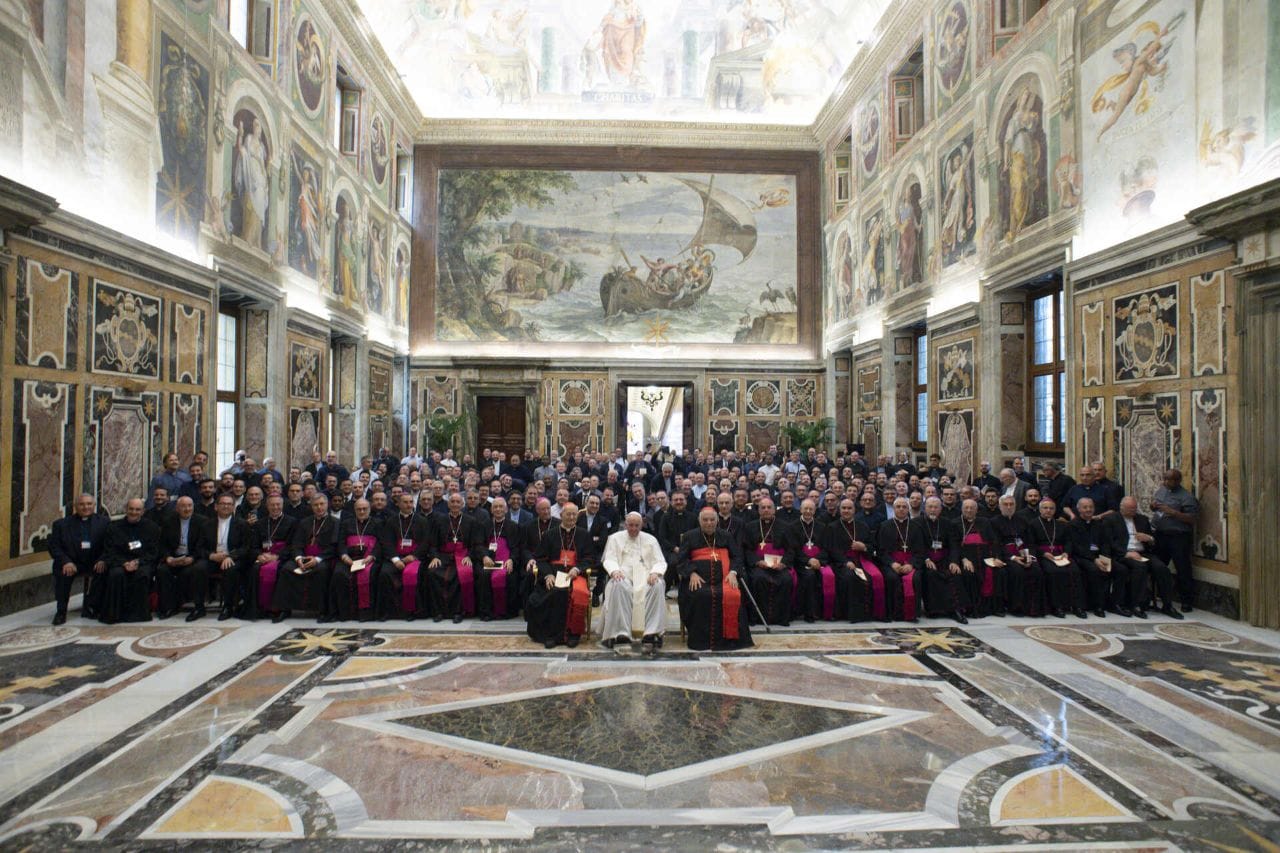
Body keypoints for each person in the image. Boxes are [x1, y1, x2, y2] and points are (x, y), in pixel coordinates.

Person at [675, 507, 753, 652]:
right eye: (705, 520)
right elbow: (681, 560)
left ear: (717, 521)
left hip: (724, 579)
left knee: (733, 594)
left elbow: (737, 556)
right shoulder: (689, 536)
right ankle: (701, 640)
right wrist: (691, 573)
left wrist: (733, 572)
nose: (709, 523)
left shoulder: (726, 536)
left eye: (712, 520)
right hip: (699, 580)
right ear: (699, 521)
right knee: (700, 595)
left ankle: (730, 640)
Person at [527, 503, 597, 648]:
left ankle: (573, 633)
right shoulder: (550, 534)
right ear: (561, 515)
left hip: (576, 576)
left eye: (574, 514)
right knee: (550, 594)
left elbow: (590, 558)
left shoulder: (584, 534)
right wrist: (547, 575)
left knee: (577, 594)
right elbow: (540, 559)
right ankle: (552, 635)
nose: (571, 517)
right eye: (568, 514)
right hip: (553, 575)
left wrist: (577, 569)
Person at [1104, 495, 1182, 619]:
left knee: (1161, 568)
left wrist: (1149, 538)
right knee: (1139, 568)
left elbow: (1152, 540)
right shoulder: (1110, 519)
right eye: (1129, 509)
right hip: (1123, 553)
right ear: (1121, 508)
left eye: (1134, 509)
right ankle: (1136, 604)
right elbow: (1108, 542)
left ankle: (1167, 605)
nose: (1132, 512)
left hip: (1143, 552)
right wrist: (1125, 553)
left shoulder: (1142, 519)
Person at [598, 512, 668, 650]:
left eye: (637, 525)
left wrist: (655, 572)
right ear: (625, 524)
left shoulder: (651, 539)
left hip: (646, 575)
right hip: (623, 574)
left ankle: (651, 632)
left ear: (642, 525)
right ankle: (620, 632)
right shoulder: (615, 538)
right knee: (618, 585)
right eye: (630, 525)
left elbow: (660, 561)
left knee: (658, 585)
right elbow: (609, 558)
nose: (634, 529)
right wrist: (614, 570)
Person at [272, 494, 338, 623]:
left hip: (323, 558)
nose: (319, 507)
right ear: (311, 506)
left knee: (321, 571)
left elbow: (334, 546)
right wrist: (298, 558)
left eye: (321, 504)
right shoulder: (304, 522)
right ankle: (284, 609)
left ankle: (322, 610)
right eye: (315, 505)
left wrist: (317, 559)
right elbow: (296, 543)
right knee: (286, 569)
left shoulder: (335, 522)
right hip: (303, 557)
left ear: (327, 505)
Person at [49, 494, 109, 624]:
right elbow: (54, 547)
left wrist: (103, 559)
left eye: (89, 504)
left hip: (95, 561)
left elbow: (109, 545)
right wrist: (66, 561)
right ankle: (61, 611)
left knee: (105, 571)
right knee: (63, 572)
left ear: (94, 505)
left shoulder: (104, 522)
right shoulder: (61, 525)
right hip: (72, 562)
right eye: (82, 504)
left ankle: (92, 606)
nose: (85, 507)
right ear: (75, 506)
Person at [911, 496, 971, 623]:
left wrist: (954, 561)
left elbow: (954, 545)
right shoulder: (916, 522)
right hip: (925, 559)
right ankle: (934, 610)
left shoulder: (947, 523)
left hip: (944, 558)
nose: (932, 510)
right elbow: (916, 545)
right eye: (930, 507)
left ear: (940, 509)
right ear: (925, 508)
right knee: (931, 574)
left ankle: (956, 610)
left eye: (935, 507)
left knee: (954, 574)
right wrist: (926, 558)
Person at [100, 498, 160, 624]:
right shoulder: (114, 528)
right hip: (120, 562)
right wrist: (124, 563)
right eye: (131, 509)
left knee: (142, 575)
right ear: (126, 510)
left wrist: (138, 562)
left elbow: (153, 551)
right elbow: (110, 551)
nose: (134, 512)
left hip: (143, 562)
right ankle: (115, 614)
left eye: (138, 509)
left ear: (143, 511)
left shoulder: (152, 527)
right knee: (116, 574)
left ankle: (139, 615)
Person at [824, 498, 883, 623]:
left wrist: (864, 547)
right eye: (844, 508)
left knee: (874, 577)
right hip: (841, 563)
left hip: (862, 560)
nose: (846, 511)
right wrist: (845, 562)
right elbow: (831, 549)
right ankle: (852, 614)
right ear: (839, 510)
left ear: (855, 510)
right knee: (850, 577)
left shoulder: (862, 526)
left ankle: (869, 613)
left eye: (849, 508)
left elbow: (872, 545)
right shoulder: (832, 527)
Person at [1025, 498, 1086, 619]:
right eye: (1045, 508)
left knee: (1075, 571)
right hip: (1044, 555)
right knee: (1054, 572)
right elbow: (1030, 544)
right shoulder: (1033, 524)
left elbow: (1068, 541)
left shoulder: (1061, 524)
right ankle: (1057, 606)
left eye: (1051, 508)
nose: (1048, 510)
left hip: (1060, 554)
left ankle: (1077, 606)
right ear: (1040, 509)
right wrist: (1043, 553)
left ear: (1055, 510)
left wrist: (1066, 553)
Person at [428, 493, 484, 623]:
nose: (455, 504)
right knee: (432, 573)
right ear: (448, 504)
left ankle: (458, 612)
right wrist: (435, 557)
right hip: (443, 556)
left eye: (458, 502)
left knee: (461, 576)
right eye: (452, 501)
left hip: (462, 556)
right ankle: (439, 611)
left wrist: (470, 556)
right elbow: (433, 543)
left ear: (462, 504)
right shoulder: (439, 520)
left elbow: (475, 543)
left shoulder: (471, 521)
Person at [1068, 497, 1126, 618]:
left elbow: (1106, 543)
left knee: (1121, 570)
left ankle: (1115, 604)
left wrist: (1104, 558)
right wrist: (1094, 560)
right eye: (1085, 507)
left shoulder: (1100, 524)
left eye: (1091, 507)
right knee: (1094, 570)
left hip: (1099, 556)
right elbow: (1077, 547)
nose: (1088, 509)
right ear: (1079, 509)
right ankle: (1096, 605)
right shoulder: (1073, 525)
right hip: (1082, 557)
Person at [156, 497, 212, 621]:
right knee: (162, 571)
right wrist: (168, 558)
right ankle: (168, 607)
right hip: (174, 558)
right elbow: (162, 544)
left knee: (193, 571)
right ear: (177, 508)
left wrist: (192, 558)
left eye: (189, 506)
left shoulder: (202, 521)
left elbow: (203, 545)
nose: (187, 509)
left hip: (193, 557)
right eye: (183, 506)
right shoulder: (168, 521)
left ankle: (198, 608)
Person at [740, 497, 793, 626]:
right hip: (759, 565)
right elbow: (746, 549)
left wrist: (783, 563)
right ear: (758, 510)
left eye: (769, 507)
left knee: (786, 580)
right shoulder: (750, 526)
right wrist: (758, 562)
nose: (766, 510)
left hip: (779, 564)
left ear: (774, 510)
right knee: (758, 579)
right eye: (763, 507)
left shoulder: (785, 526)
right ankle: (757, 617)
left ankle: (781, 618)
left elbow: (791, 549)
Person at [377, 493, 431, 620]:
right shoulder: (391, 521)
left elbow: (426, 542)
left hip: (414, 558)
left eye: (410, 502)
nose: (408, 505)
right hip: (395, 558)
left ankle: (411, 611)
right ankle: (389, 612)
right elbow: (387, 543)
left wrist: (413, 556)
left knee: (413, 575)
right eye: (405, 502)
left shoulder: (422, 521)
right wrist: (395, 560)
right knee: (384, 574)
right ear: (399, 504)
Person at [1151, 469, 1198, 612]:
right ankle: (1157, 596)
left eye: (1169, 479)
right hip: (1161, 535)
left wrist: (1173, 512)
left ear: (1178, 480)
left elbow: (1192, 519)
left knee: (1182, 569)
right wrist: (1153, 507)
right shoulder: (1161, 491)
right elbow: (1156, 508)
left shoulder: (1186, 497)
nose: (1165, 482)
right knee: (1157, 566)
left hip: (1178, 537)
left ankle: (1186, 601)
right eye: (1164, 479)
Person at [990, 494, 1043, 617]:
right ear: (1000, 506)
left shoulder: (1023, 520)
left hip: (1024, 552)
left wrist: (1030, 557)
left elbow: (1030, 541)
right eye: (1005, 504)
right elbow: (996, 544)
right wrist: (1013, 558)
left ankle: (1034, 608)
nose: (1009, 507)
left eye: (1011, 504)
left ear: (1015, 505)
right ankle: (1017, 607)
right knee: (1017, 571)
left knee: (1036, 570)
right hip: (1006, 556)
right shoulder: (993, 522)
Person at [331, 498, 380, 621]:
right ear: (354, 510)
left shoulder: (378, 523)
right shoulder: (346, 523)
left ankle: (365, 613)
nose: (362, 511)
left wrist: (372, 556)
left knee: (370, 574)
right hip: (349, 558)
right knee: (339, 574)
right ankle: (345, 613)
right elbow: (341, 542)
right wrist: (344, 556)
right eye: (359, 509)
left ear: (369, 509)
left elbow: (380, 543)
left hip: (369, 559)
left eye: (365, 509)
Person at [956, 498, 1005, 617]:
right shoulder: (955, 523)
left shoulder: (984, 522)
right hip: (967, 559)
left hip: (985, 558)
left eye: (972, 508)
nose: (969, 510)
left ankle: (995, 608)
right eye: (966, 508)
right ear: (961, 509)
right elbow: (954, 545)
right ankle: (970, 608)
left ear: (976, 510)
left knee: (1000, 572)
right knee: (968, 574)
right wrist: (963, 559)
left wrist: (996, 557)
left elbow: (994, 541)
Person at [249, 495, 295, 620]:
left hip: (283, 557)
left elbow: (293, 545)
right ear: (267, 506)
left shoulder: (292, 522)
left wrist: (277, 556)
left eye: (278, 504)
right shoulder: (260, 523)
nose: (275, 507)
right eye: (272, 505)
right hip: (264, 556)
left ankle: (281, 609)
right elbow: (253, 545)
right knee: (255, 569)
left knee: (283, 571)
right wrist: (259, 555)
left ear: (282, 505)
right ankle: (261, 608)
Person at [479, 496, 524, 620]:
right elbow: (479, 544)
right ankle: (487, 612)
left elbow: (517, 547)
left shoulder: (514, 526)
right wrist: (484, 556)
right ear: (491, 510)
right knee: (484, 575)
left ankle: (506, 612)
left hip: (506, 561)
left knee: (510, 576)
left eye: (501, 507)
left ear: (506, 509)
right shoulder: (484, 525)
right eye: (495, 507)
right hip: (490, 561)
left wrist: (512, 560)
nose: (498, 509)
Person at [876, 497, 920, 622]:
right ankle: (892, 613)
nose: (901, 509)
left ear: (908, 509)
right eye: (898, 507)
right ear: (893, 509)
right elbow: (880, 551)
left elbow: (920, 551)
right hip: (890, 563)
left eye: (904, 507)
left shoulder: (916, 526)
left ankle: (911, 614)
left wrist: (911, 564)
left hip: (910, 563)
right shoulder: (884, 526)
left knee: (915, 578)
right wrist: (891, 563)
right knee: (891, 578)